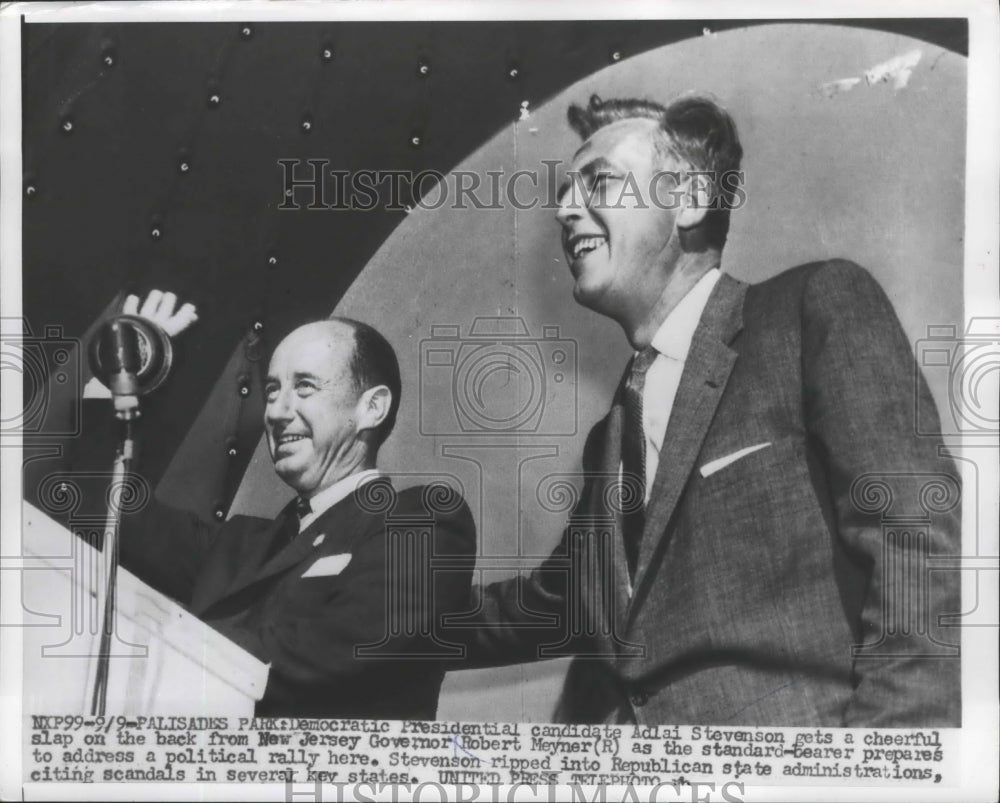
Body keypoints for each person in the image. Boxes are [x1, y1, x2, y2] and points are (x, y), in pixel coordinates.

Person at [456, 94, 961, 726]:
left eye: (600, 183)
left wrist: (885, 769)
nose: (563, 209)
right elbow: (548, 606)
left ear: (689, 200)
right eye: (565, 191)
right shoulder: (611, 437)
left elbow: (914, 539)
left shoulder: (811, 311)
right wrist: (357, 611)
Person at [79, 300, 477, 720]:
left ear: (371, 407)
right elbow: (107, 514)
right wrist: (118, 377)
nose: (277, 412)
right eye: (272, 390)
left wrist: (159, 639)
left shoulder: (421, 522)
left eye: (304, 387)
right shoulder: (238, 546)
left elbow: (333, 649)